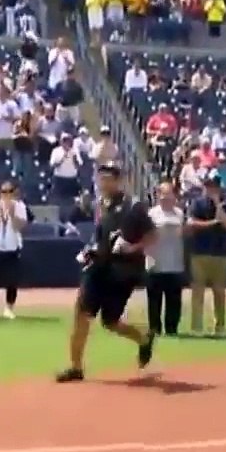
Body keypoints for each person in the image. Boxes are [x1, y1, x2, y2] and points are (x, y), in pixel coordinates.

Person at [57, 164, 157, 383]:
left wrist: (133, 248)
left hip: (123, 271)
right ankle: (75, 367)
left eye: (108, 179)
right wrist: (90, 250)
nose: (103, 183)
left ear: (118, 181)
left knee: (110, 321)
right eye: (100, 179)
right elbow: (102, 235)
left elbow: (152, 235)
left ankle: (143, 338)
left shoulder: (134, 207)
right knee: (81, 312)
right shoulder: (101, 204)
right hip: (98, 267)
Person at [187, 174, 226, 336]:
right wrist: (212, 223)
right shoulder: (197, 203)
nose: (210, 189)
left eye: (213, 186)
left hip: (221, 253)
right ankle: (197, 327)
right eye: (207, 186)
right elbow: (192, 222)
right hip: (199, 253)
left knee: (219, 292)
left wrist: (218, 206)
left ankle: (220, 326)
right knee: (198, 292)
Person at [0, 182, 27, 321]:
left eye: (10, 191)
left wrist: (12, 215)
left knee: (12, 280)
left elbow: (21, 226)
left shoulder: (19, 206)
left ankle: (9, 308)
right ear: (0, 193)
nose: (7, 195)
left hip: (12, 247)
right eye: (4, 192)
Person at [146, 183, 185, 337]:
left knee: (174, 300)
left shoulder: (180, 214)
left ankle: (172, 328)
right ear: (158, 196)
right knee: (154, 300)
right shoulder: (151, 214)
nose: (167, 198)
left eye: (169, 195)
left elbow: (183, 232)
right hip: (155, 262)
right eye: (163, 195)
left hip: (175, 263)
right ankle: (155, 328)